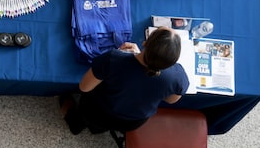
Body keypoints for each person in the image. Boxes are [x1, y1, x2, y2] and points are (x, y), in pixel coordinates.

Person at [61, 27, 189, 134]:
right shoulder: (177, 76)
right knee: (103, 125)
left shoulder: (113, 59)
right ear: (173, 60)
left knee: (84, 118)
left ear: (145, 43)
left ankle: (76, 125)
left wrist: (125, 55)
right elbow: (171, 100)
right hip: (132, 121)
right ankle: (96, 130)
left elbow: (84, 87)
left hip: (98, 111)